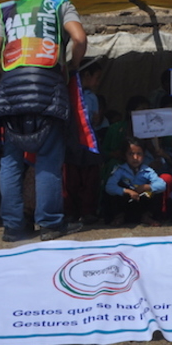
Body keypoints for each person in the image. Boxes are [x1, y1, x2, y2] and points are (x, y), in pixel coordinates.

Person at [0, 0, 87, 242]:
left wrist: (9, 75)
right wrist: (72, 66)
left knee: (10, 160)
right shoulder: (60, 5)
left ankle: (13, 227)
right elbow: (79, 38)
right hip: (47, 87)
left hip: (9, 91)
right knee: (48, 157)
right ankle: (50, 223)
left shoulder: (9, 9)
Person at [64, 57, 104, 225]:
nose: (97, 82)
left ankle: (88, 211)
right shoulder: (67, 92)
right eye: (96, 77)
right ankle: (70, 212)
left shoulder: (92, 97)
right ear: (86, 75)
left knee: (90, 178)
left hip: (88, 142)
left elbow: (96, 120)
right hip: (71, 141)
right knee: (71, 178)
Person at [105, 137, 166, 227]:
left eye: (139, 154)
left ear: (144, 155)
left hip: (141, 204)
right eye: (131, 154)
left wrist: (146, 187)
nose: (135, 158)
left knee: (156, 191)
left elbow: (162, 185)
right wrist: (127, 191)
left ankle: (147, 216)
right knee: (115, 189)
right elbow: (109, 187)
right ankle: (119, 216)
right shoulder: (120, 170)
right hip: (126, 204)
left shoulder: (147, 171)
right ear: (125, 155)